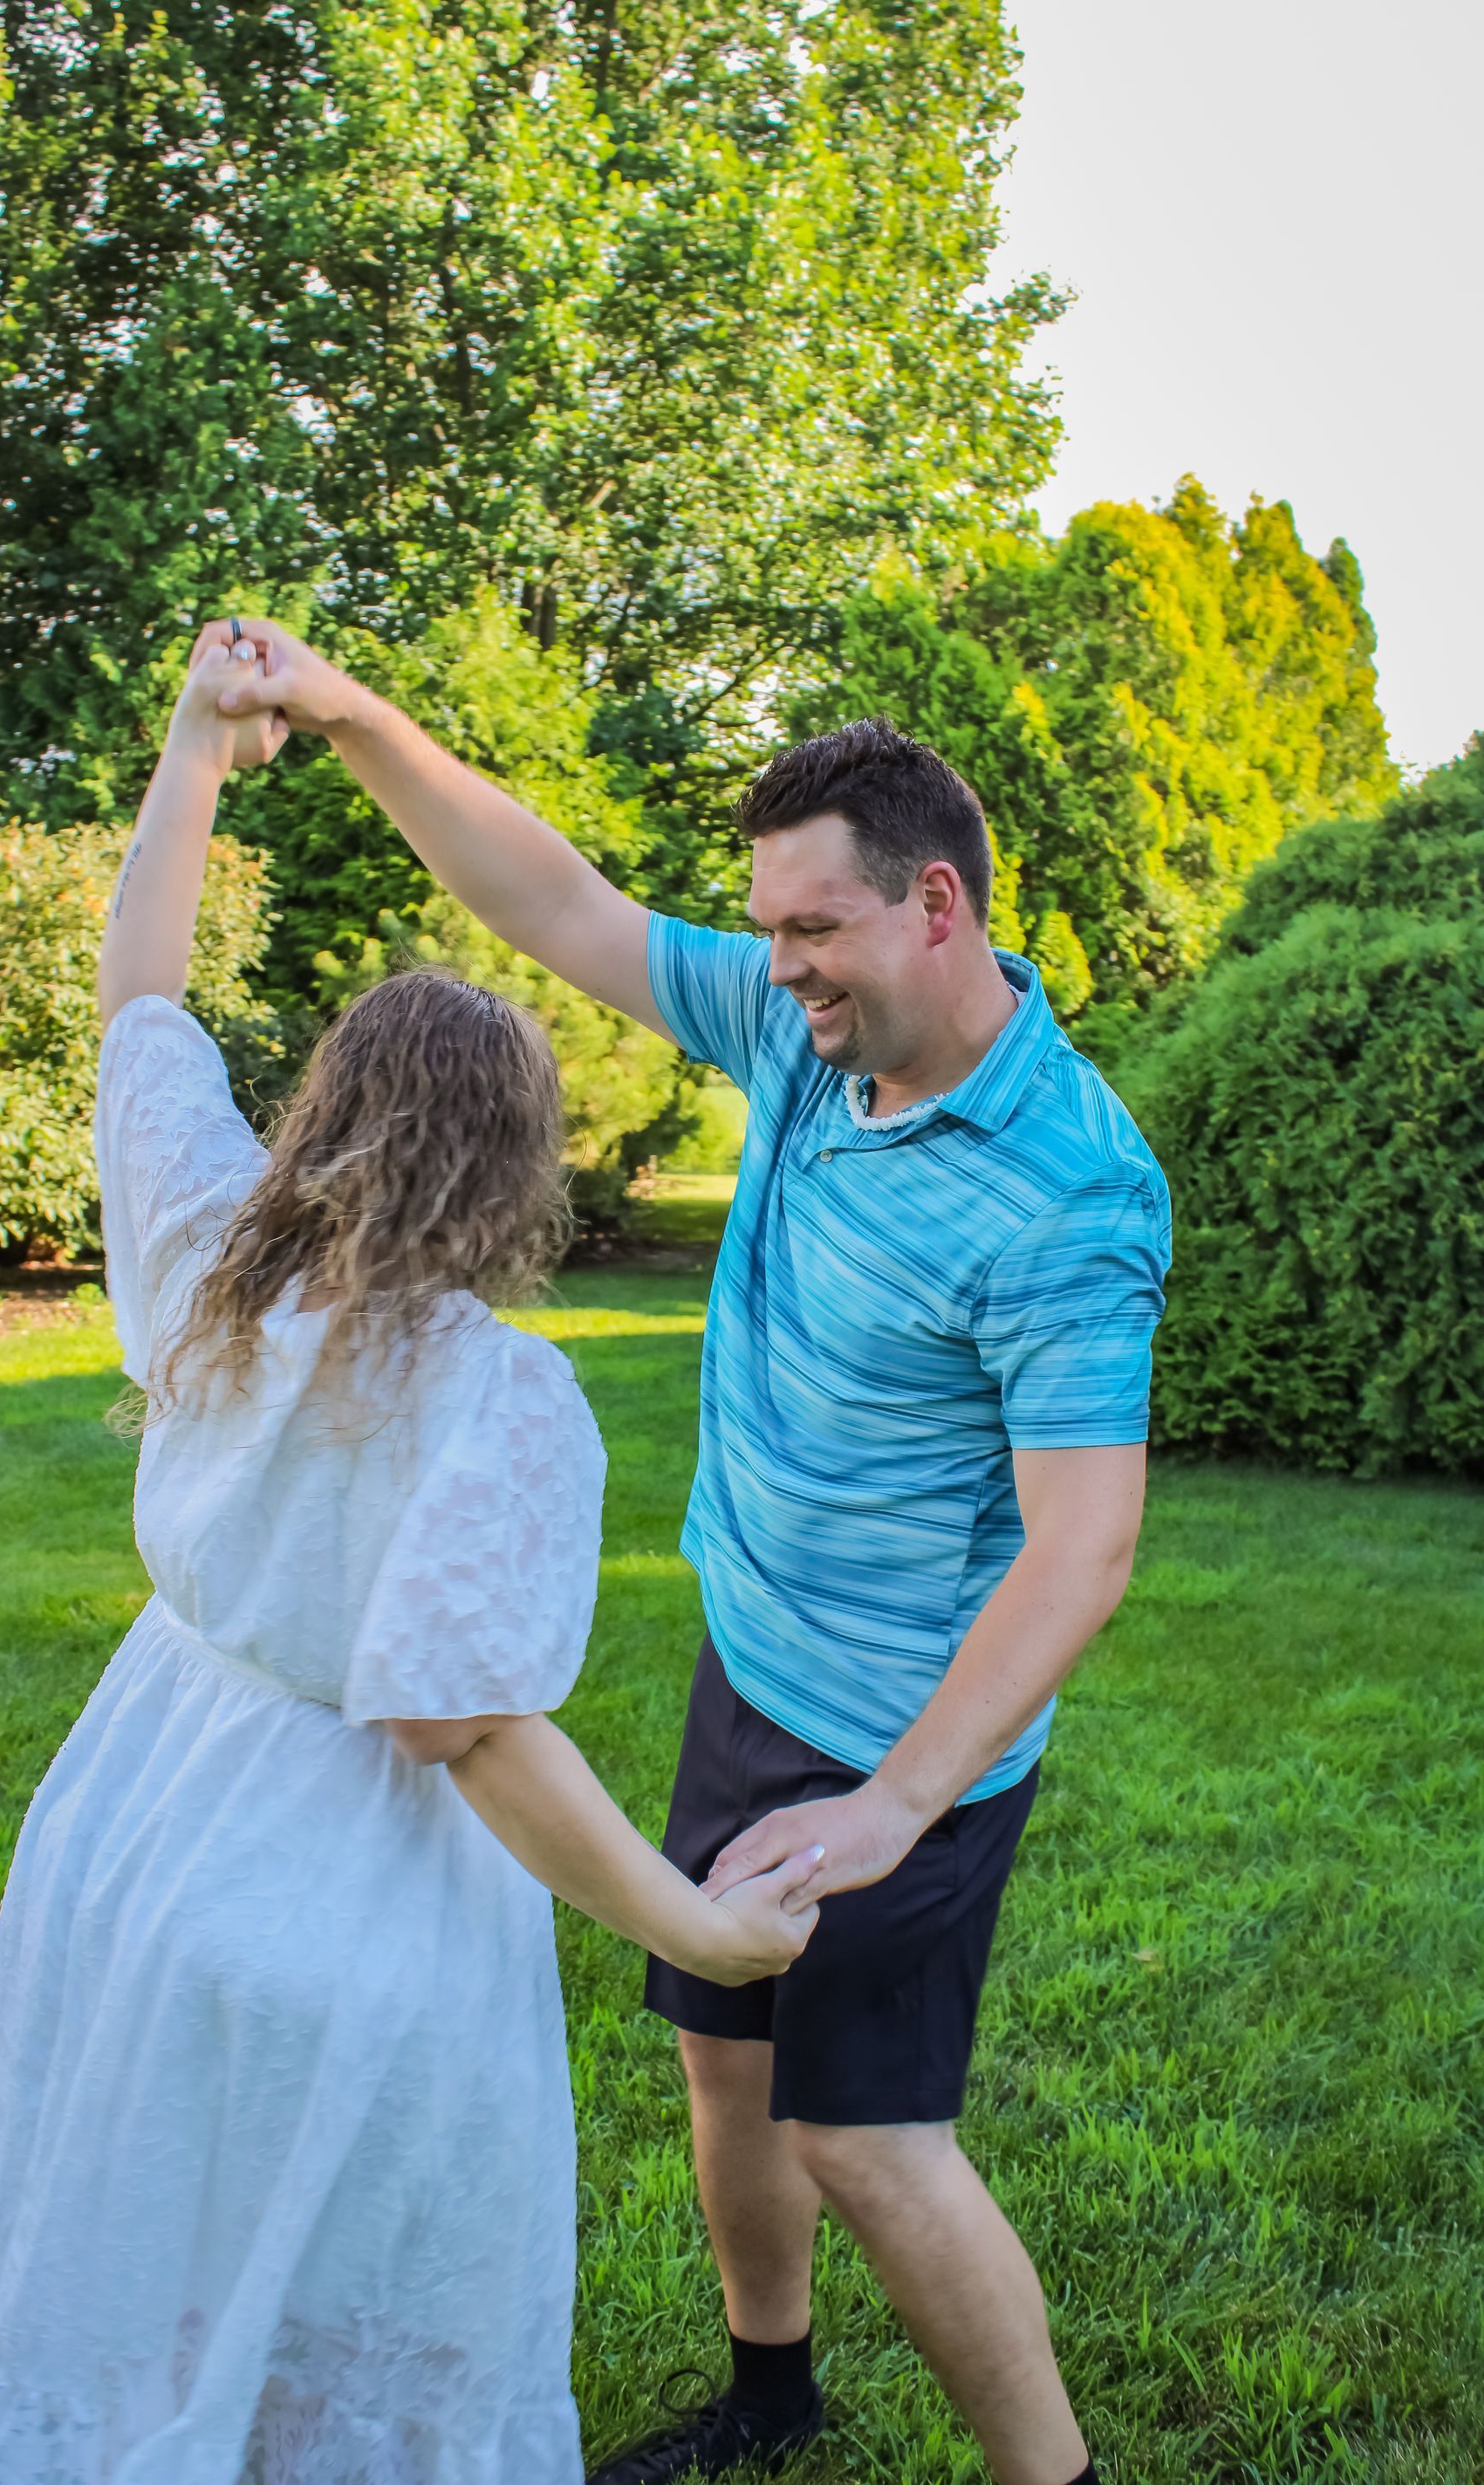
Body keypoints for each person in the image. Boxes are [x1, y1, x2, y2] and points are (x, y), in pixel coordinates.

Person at [206, 619, 1173, 2485]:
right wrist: (341, 711)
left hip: (912, 1728)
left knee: (869, 2144)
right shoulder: (810, 1039)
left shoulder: (1070, 1191)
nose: (778, 963)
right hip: (759, 1659)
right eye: (770, 927)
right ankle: (770, 2392)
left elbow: (1085, 1549)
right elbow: (553, 897)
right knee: (724, 2065)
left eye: (811, 928)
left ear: (936, 906)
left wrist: (900, 1802)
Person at [0, 637, 821, 2485]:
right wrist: (703, 1928)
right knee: (353, 2249)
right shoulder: (504, 1397)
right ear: (517, 1165)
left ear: (325, 1107)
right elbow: (459, 1726)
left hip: (135, 1823)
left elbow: (140, 997)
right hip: (353, 1898)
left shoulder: (211, 1253)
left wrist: (193, 750)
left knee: (136, 2213)